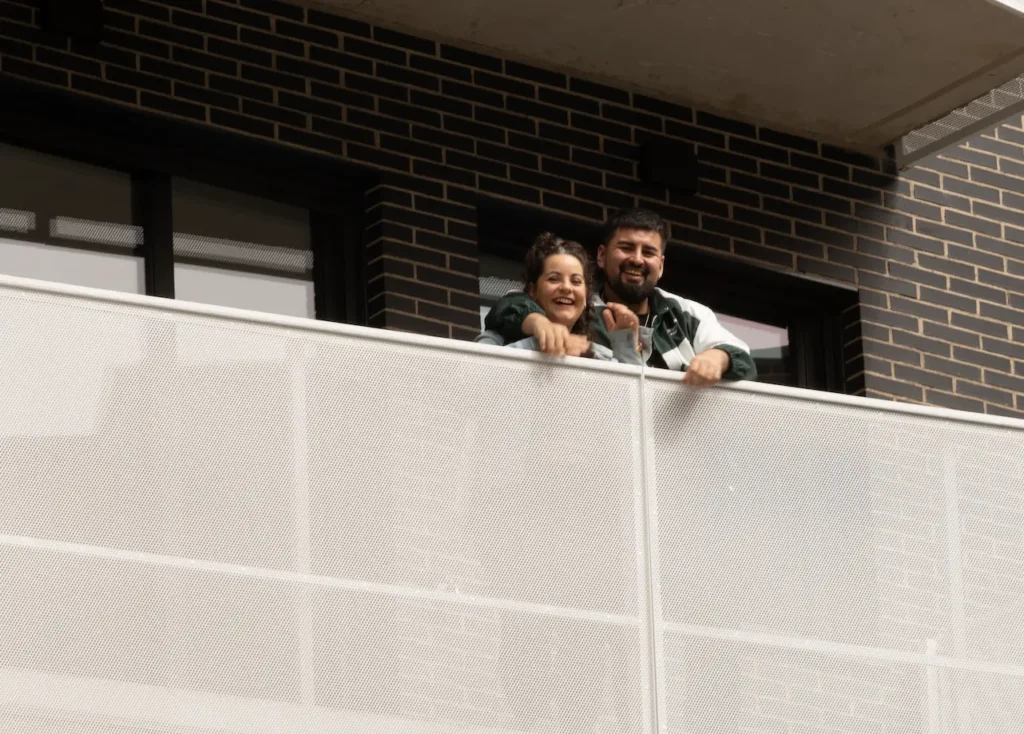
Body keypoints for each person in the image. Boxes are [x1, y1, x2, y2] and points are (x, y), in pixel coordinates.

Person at [484, 208, 757, 385]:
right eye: (626, 248)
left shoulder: (687, 314)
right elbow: (509, 305)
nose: (637, 259)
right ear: (601, 256)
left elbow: (744, 360)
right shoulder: (579, 306)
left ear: (660, 265)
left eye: (648, 252)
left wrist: (717, 359)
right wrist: (539, 323)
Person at [476, 232, 643, 365]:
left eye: (576, 281)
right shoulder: (496, 340)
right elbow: (472, 378)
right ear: (533, 290)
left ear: (585, 298)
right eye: (554, 279)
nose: (566, 287)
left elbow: (635, 399)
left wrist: (626, 345)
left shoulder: (596, 354)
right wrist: (539, 343)